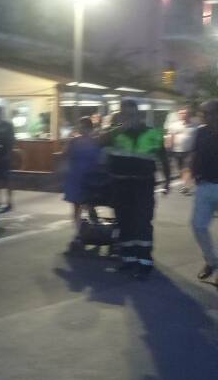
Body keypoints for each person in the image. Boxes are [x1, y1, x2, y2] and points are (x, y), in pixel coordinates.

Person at [103, 98, 170, 277]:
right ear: (120, 114)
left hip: (143, 185)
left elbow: (163, 158)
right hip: (121, 185)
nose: (128, 117)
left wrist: (167, 181)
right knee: (125, 223)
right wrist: (116, 130)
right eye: (124, 114)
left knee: (142, 224)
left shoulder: (152, 133)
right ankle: (129, 259)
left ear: (138, 115)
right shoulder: (114, 133)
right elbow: (97, 145)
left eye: (131, 114)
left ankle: (145, 262)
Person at [63, 117, 101, 252]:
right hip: (82, 177)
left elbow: (65, 154)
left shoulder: (86, 141)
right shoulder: (92, 141)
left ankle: (83, 232)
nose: (80, 129)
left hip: (81, 177)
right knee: (82, 205)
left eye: (82, 127)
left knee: (82, 205)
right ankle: (82, 232)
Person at [190, 100, 218, 282]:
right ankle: (212, 261)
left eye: (205, 113)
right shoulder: (201, 132)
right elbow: (196, 154)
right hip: (205, 185)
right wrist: (194, 174)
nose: (202, 116)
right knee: (198, 225)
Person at [166, 107, 197, 195]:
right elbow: (170, 138)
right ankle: (185, 183)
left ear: (189, 114)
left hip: (190, 151)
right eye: (181, 113)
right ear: (178, 115)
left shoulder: (195, 125)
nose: (183, 115)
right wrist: (168, 149)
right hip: (177, 151)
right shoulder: (174, 125)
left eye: (185, 113)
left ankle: (185, 186)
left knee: (187, 168)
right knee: (180, 169)